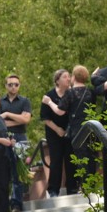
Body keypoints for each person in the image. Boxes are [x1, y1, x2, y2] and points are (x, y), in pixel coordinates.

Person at [41, 65, 97, 187]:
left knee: (79, 159)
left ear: (74, 77)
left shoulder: (70, 93)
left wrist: (49, 102)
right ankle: (91, 184)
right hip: (90, 129)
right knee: (90, 157)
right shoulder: (90, 91)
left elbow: (60, 111)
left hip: (76, 130)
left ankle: (82, 186)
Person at [0, 74, 32, 212]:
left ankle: (17, 204)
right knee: (5, 171)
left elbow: (26, 120)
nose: (13, 87)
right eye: (10, 84)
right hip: (4, 138)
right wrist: (16, 119)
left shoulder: (25, 101)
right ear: (6, 86)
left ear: (19, 86)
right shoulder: (0, 102)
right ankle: (4, 204)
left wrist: (7, 115)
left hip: (21, 138)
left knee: (20, 171)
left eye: (16, 84)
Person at [40, 69, 75, 197]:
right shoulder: (49, 96)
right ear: (57, 80)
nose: (68, 78)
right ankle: (53, 189)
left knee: (71, 159)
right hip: (54, 132)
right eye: (65, 77)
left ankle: (72, 188)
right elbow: (45, 118)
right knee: (56, 160)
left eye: (69, 76)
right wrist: (57, 130)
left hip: (70, 132)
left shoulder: (71, 94)